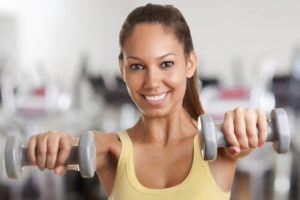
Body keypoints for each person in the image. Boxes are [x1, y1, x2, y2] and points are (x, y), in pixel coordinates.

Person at [27, 4, 268, 200]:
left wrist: (248, 123)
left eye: (166, 64)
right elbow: (67, 147)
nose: (152, 81)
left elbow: (244, 141)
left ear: (190, 64)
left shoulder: (221, 146)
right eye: (138, 66)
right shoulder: (110, 151)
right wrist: (51, 143)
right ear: (122, 70)